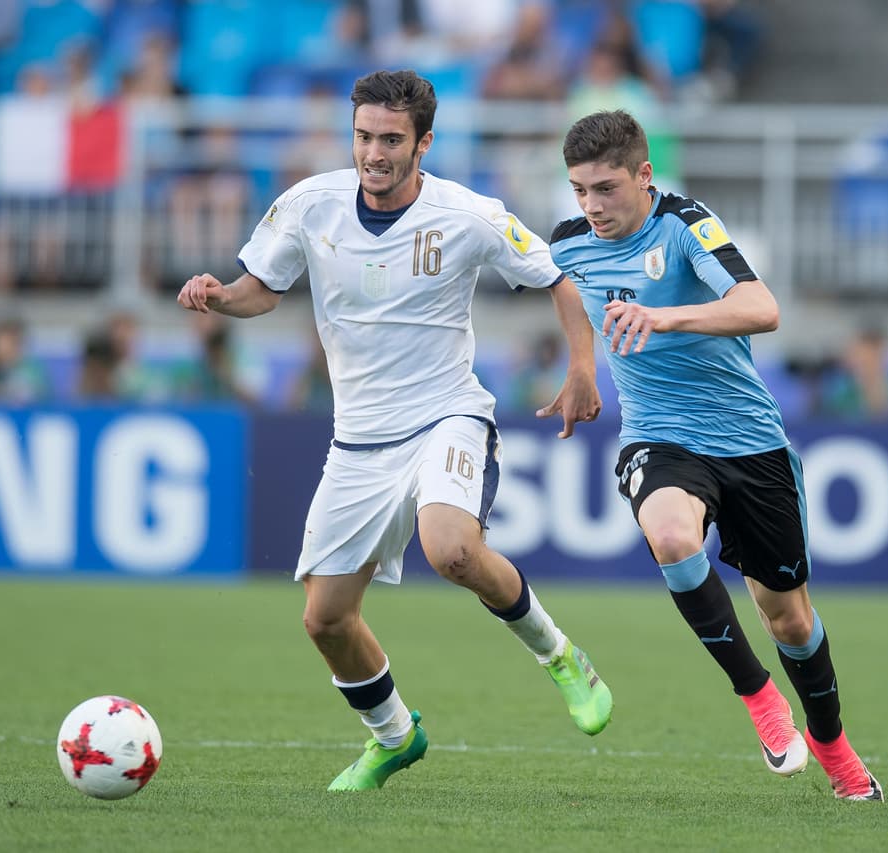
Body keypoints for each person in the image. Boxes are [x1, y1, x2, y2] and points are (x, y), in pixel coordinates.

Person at [176, 69, 613, 792]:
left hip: (447, 413)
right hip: (357, 440)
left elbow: (557, 276)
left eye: (390, 140)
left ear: (424, 142)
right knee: (325, 620)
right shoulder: (309, 205)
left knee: (453, 550)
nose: (373, 153)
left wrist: (581, 369)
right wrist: (221, 297)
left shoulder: (466, 215)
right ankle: (394, 736)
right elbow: (261, 289)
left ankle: (560, 653)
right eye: (362, 136)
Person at [549, 109, 883, 801]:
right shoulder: (570, 241)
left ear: (645, 176)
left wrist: (664, 315)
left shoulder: (685, 223)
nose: (592, 205)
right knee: (671, 535)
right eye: (580, 189)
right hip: (659, 435)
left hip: (749, 441)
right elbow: (561, 286)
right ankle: (759, 697)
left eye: (606, 188)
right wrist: (583, 365)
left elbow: (761, 307)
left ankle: (834, 746)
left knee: (787, 615)